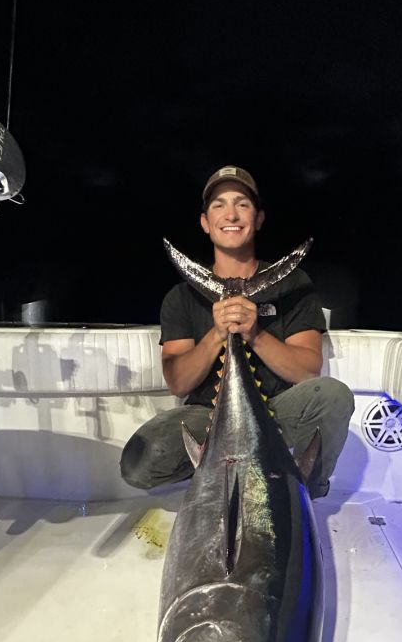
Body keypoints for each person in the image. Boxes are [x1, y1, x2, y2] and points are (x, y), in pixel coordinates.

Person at [120, 165, 354, 498]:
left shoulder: (293, 285)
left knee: (333, 395)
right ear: (206, 222)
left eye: (242, 204)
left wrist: (254, 333)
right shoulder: (181, 297)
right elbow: (179, 382)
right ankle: (216, 476)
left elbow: (308, 370)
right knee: (139, 465)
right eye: (219, 205)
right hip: (209, 417)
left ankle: (303, 496)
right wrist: (218, 332)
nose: (231, 214)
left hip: (275, 414)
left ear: (258, 218)